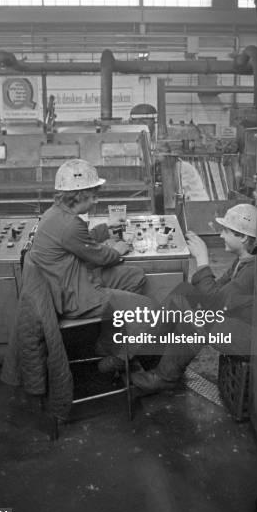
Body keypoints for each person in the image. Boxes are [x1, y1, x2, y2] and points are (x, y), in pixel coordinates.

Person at [29, 158, 156, 372]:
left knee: (134, 277)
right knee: (150, 312)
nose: (96, 201)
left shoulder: (55, 214)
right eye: (94, 196)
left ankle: (109, 343)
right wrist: (118, 250)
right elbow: (100, 257)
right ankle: (116, 361)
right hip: (74, 295)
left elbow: (81, 240)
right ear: (80, 195)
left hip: (72, 279)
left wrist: (106, 228)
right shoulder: (69, 224)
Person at [131, 203, 257, 393]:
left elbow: (215, 302)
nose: (221, 235)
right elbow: (216, 290)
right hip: (238, 322)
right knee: (183, 293)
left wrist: (203, 261)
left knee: (194, 318)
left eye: (226, 231)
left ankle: (165, 377)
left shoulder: (252, 271)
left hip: (246, 339)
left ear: (243, 237)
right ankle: (144, 352)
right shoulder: (243, 260)